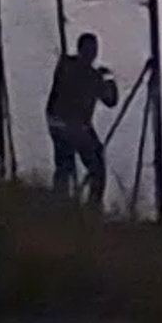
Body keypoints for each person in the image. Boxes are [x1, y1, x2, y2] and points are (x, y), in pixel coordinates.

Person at [45, 24, 117, 199]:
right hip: (76, 127)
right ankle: (91, 204)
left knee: (64, 165)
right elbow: (111, 101)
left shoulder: (65, 65)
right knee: (96, 165)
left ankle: (61, 203)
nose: (93, 54)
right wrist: (109, 79)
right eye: (92, 50)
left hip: (58, 123)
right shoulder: (92, 76)